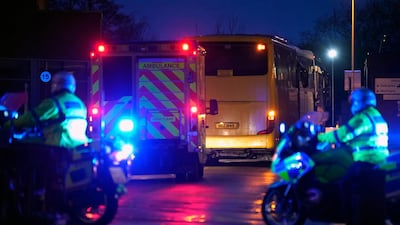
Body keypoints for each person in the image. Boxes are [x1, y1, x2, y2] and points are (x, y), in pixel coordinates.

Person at [317, 87, 388, 225]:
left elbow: (342, 134)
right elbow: (360, 137)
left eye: (354, 101)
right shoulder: (375, 114)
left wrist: (319, 137)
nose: (352, 105)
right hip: (378, 163)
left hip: (367, 162)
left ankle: (348, 218)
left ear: (360, 102)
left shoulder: (362, 118)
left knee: (343, 182)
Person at [5, 70, 90, 148]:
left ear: (55, 85)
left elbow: (30, 118)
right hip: (79, 145)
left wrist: (8, 124)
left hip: (59, 146)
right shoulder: (80, 104)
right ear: (73, 86)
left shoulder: (54, 102)